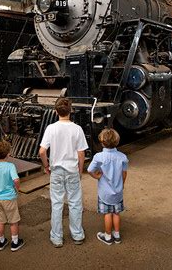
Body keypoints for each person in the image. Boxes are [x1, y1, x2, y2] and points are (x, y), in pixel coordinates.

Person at [39, 97, 88, 248]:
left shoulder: (51, 128)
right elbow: (81, 154)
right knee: (75, 203)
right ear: (71, 111)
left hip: (57, 171)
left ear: (55, 111)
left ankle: (57, 237)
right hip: (72, 170)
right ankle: (77, 235)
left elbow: (42, 151)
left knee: (57, 203)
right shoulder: (77, 129)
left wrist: (46, 165)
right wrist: (80, 170)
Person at [87, 128, 128, 245]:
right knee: (116, 213)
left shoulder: (99, 157)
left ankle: (108, 236)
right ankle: (117, 234)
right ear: (117, 141)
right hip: (118, 191)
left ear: (102, 142)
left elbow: (90, 170)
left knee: (108, 214)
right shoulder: (122, 157)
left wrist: (97, 176)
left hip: (105, 192)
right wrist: (122, 184)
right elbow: (124, 173)